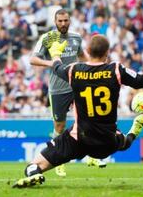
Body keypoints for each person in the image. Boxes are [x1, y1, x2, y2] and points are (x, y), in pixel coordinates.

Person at [13, 34, 143, 188]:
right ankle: (135, 129)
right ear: (107, 53)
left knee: (35, 163)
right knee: (123, 142)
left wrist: (55, 52)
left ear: (88, 51)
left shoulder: (74, 70)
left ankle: (33, 173)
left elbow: (56, 68)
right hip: (106, 141)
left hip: (78, 138)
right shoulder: (116, 70)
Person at [30, 9, 106, 177]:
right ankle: (58, 160)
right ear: (55, 22)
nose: (63, 24)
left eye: (65, 20)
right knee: (60, 126)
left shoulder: (76, 37)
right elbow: (32, 59)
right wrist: (52, 63)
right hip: (58, 89)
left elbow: (83, 56)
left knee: (88, 120)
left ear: (69, 20)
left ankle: (92, 157)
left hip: (77, 84)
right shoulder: (48, 38)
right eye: (60, 21)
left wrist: (97, 66)